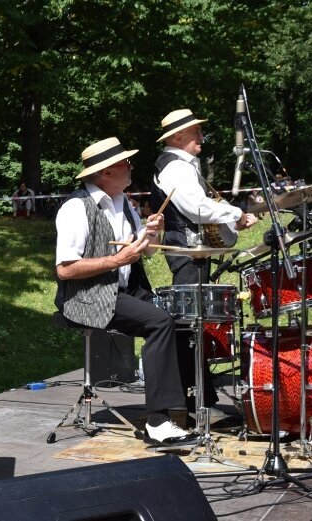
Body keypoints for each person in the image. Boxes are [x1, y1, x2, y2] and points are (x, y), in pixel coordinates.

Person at [54, 137, 196, 446]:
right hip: (87, 296)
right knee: (159, 322)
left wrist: (150, 233)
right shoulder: (76, 208)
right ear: (106, 172)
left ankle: (193, 408)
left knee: (184, 318)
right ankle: (158, 422)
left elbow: (143, 253)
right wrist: (115, 260)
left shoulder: (125, 204)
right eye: (125, 163)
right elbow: (64, 269)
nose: (131, 167)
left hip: (123, 290)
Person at [149, 109, 258, 417]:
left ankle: (201, 401)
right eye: (196, 132)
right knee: (188, 328)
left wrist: (229, 223)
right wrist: (235, 214)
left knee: (194, 327)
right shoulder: (175, 168)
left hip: (192, 251)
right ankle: (191, 403)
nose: (201, 137)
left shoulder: (183, 166)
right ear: (177, 137)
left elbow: (199, 211)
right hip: (186, 252)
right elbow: (196, 208)